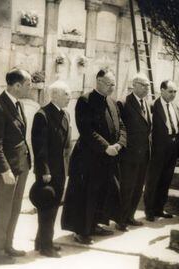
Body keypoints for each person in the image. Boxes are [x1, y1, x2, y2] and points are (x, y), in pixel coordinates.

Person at [61, 70, 126, 244]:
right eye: (108, 83)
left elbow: (121, 125)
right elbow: (87, 129)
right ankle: (81, 230)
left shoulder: (113, 102)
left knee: (102, 194)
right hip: (88, 158)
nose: (112, 87)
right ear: (98, 81)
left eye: (113, 84)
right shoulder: (85, 100)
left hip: (108, 157)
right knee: (85, 195)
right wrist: (106, 147)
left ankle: (95, 224)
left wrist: (120, 143)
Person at [0, 68, 32, 264]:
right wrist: (5, 170)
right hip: (4, 171)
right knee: (1, 212)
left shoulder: (17, 104)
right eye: (28, 84)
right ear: (17, 86)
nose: (31, 87)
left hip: (19, 168)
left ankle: (7, 245)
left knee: (13, 209)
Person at [30, 81, 72, 258]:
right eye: (66, 94)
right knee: (46, 207)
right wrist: (44, 170)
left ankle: (42, 241)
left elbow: (66, 145)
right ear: (54, 95)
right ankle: (46, 247)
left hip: (60, 169)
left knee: (53, 207)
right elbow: (40, 147)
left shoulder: (65, 114)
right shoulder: (43, 115)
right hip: (48, 171)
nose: (69, 97)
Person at [117, 73, 152, 231]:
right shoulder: (124, 103)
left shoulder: (146, 104)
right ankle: (121, 219)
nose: (147, 88)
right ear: (135, 85)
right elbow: (121, 129)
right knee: (127, 187)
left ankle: (130, 216)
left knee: (138, 187)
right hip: (129, 155)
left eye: (148, 85)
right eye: (143, 85)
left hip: (144, 154)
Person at [144, 80, 179, 221]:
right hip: (158, 149)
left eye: (175, 92)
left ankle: (159, 208)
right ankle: (149, 210)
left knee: (166, 180)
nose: (173, 94)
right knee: (153, 180)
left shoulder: (175, 107)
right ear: (162, 90)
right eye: (170, 91)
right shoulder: (153, 106)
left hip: (172, 148)